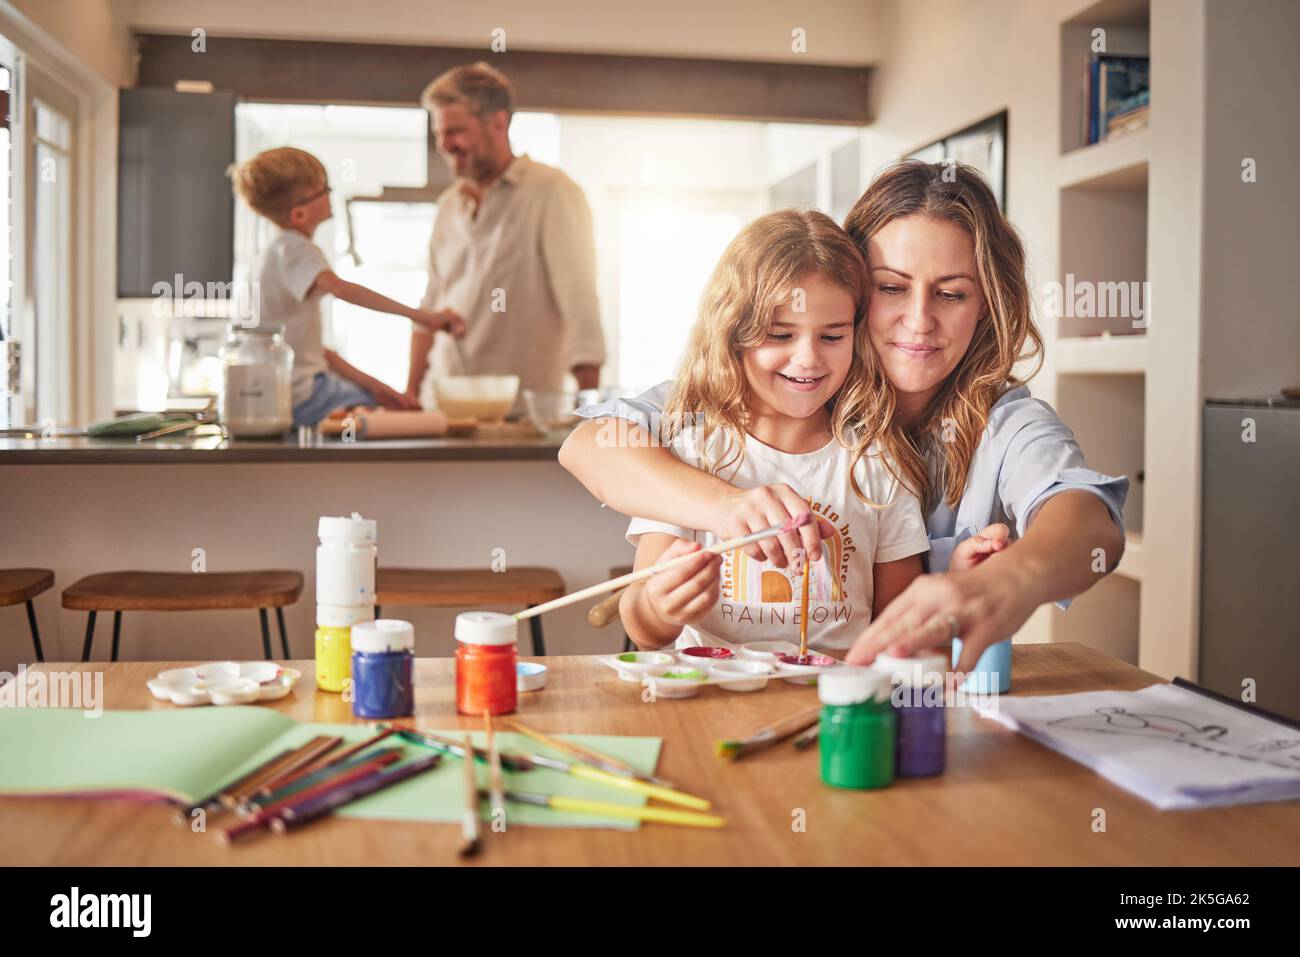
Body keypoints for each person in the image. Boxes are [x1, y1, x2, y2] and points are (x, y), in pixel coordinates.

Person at [560, 160, 1127, 675]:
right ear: (853, 289)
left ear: (988, 307)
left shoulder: (995, 424)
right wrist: (725, 507)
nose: (919, 320)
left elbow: (1091, 522)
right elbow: (587, 446)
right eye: (891, 288)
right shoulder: (724, 405)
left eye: (951, 294)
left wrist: (1006, 582)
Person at [619, 209, 933, 652]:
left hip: (833, 705)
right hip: (715, 701)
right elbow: (642, 628)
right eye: (780, 335)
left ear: (856, 337)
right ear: (733, 333)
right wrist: (658, 604)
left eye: (831, 337)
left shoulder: (879, 461)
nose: (807, 359)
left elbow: (901, 625)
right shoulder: (690, 454)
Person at [408, 62, 605, 408]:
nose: (444, 145)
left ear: (498, 123)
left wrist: (590, 409)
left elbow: (579, 305)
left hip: (519, 412)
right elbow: (430, 307)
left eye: (455, 131)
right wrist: (409, 395)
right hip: (440, 408)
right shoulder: (448, 206)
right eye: (439, 134)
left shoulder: (552, 192)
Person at [230, 147, 464, 427]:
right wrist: (425, 317)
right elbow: (343, 291)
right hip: (304, 396)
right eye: (323, 190)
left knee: (382, 405)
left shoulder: (273, 256)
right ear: (299, 214)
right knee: (405, 422)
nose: (330, 195)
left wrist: (378, 388)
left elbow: (320, 354)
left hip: (281, 397)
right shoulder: (296, 248)